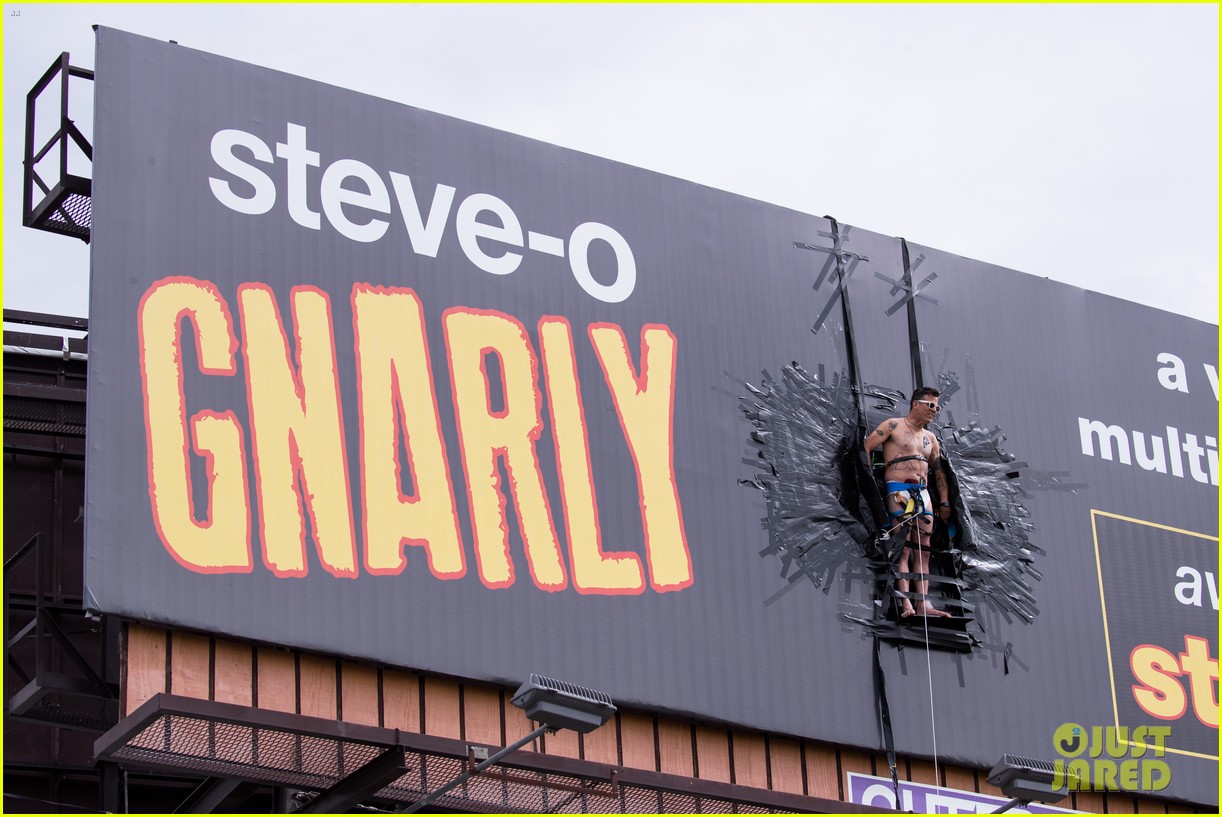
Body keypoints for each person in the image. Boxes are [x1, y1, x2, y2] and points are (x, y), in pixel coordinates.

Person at [864, 387, 952, 618]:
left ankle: (923, 605)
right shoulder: (893, 425)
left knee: (924, 551)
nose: (934, 410)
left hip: (922, 493)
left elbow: (938, 471)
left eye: (937, 407)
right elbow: (866, 447)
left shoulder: (930, 438)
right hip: (899, 490)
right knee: (903, 548)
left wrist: (944, 502)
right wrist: (870, 481)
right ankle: (906, 604)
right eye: (930, 405)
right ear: (916, 404)